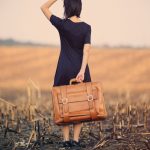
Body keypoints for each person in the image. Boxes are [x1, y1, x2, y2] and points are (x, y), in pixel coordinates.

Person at [40, 0, 92, 148]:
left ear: (66, 7)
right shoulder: (87, 27)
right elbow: (87, 50)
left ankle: (65, 140)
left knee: (64, 105)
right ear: (79, 6)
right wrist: (82, 71)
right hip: (80, 69)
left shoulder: (62, 25)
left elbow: (43, 7)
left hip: (64, 69)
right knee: (80, 105)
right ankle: (75, 140)